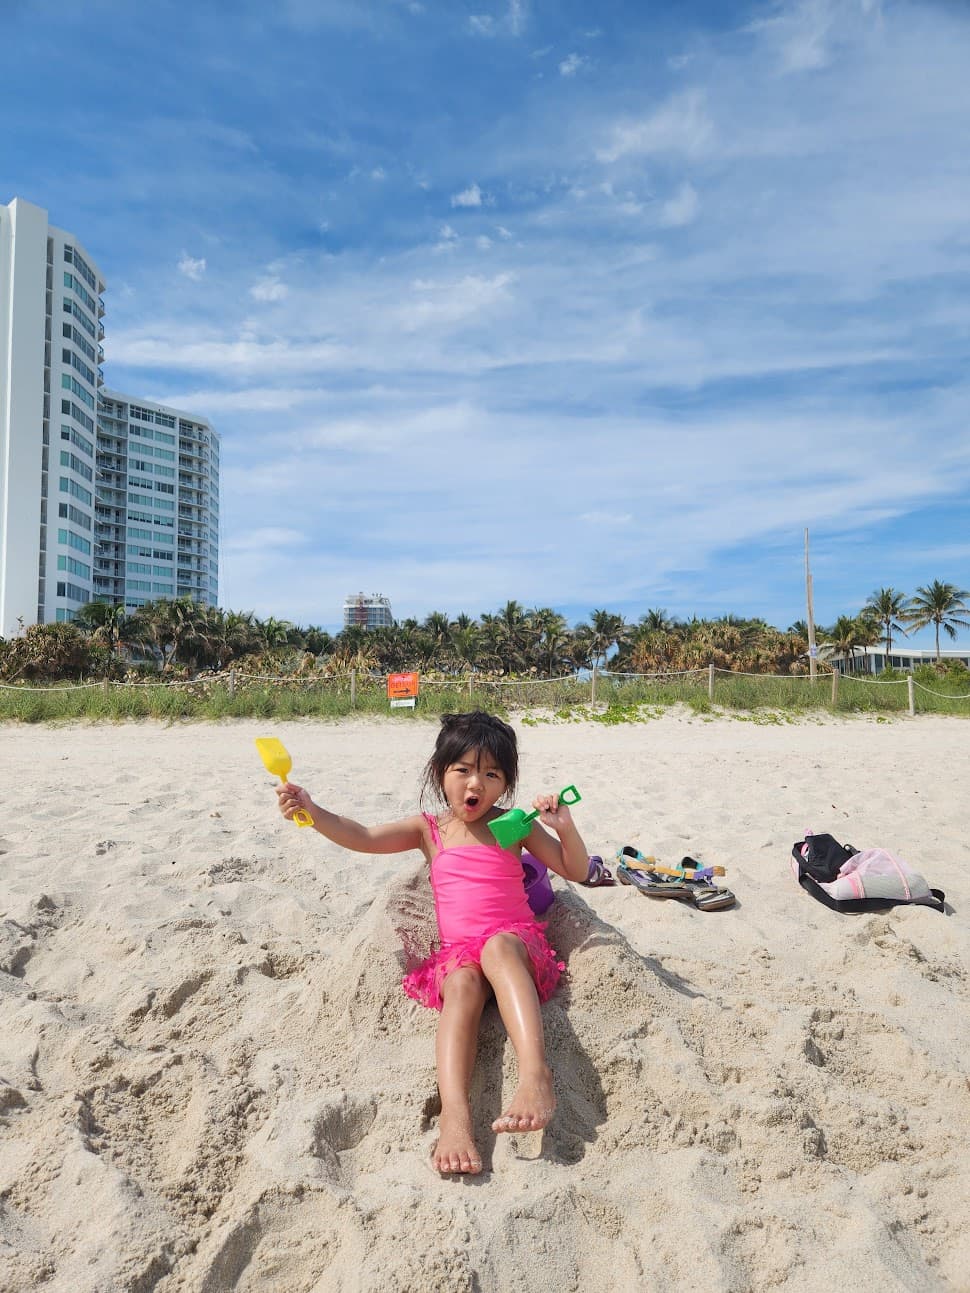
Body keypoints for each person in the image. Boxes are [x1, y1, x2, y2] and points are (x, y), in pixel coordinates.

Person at [275, 710, 590, 1175]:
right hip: (461, 953)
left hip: (515, 946)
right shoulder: (430, 830)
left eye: (491, 774)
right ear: (440, 772)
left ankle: (535, 1074)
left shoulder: (515, 825)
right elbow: (361, 836)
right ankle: (456, 1117)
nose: (475, 784)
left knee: (496, 948)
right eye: (462, 770)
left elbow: (576, 870)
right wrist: (312, 811)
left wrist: (563, 826)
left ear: (506, 783)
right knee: (461, 984)